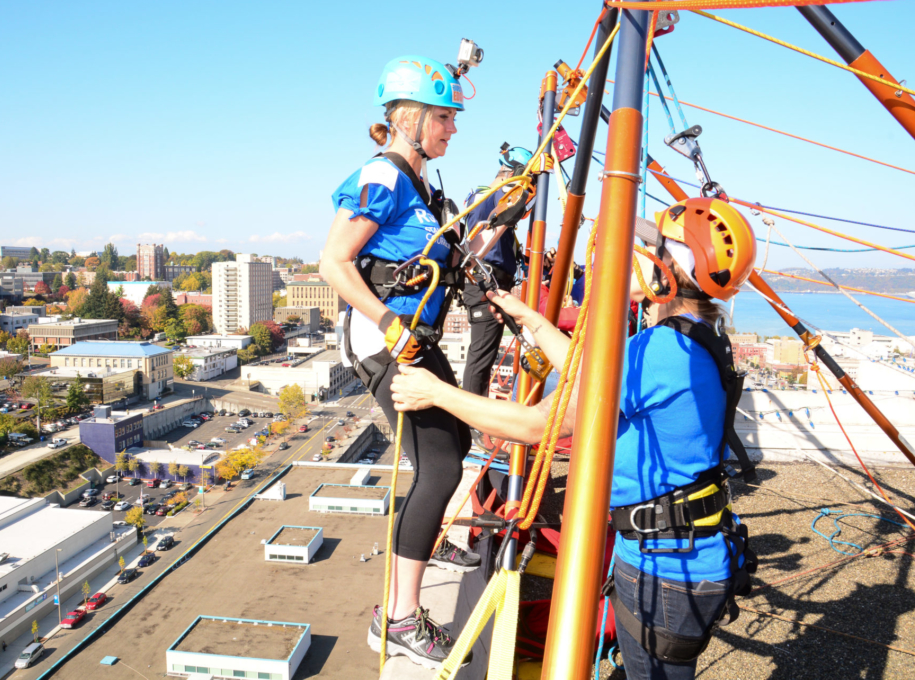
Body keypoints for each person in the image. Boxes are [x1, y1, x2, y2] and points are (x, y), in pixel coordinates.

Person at [389, 197, 758, 679]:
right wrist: (534, 322)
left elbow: (539, 425)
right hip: (678, 550)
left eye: (653, 251)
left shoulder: (664, 349)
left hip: (667, 566)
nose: (637, 259)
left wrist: (435, 392)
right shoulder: (696, 336)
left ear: (668, 273)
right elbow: (597, 374)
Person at [320, 54, 479, 669]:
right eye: (445, 116)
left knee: (454, 444)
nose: (452, 129)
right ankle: (401, 619)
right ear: (412, 119)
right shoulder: (381, 178)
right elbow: (334, 262)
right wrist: (387, 320)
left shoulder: (421, 189)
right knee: (438, 469)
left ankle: (422, 549)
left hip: (411, 338)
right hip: (385, 339)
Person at [460, 146, 532, 397]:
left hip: (486, 279)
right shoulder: (500, 192)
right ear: (514, 173)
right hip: (486, 280)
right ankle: (472, 420)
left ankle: (472, 417)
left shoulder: (481, 195)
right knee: (481, 357)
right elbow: (513, 206)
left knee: (482, 356)